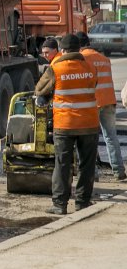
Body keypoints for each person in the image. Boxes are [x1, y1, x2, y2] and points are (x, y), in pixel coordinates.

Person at [35, 34, 99, 215]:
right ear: (79, 50)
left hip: (65, 124)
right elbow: (93, 85)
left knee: (62, 164)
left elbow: (40, 90)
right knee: (87, 165)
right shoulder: (90, 66)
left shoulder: (56, 68)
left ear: (62, 51)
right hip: (89, 123)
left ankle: (59, 205)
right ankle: (82, 203)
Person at [76, 31, 126, 181]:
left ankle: (92, 173)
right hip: (109, 101)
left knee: (89, 139)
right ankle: (119, 171)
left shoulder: (82, 59)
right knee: (111, 136)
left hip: (91, 103)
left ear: (78, 46)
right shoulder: (104, 59)